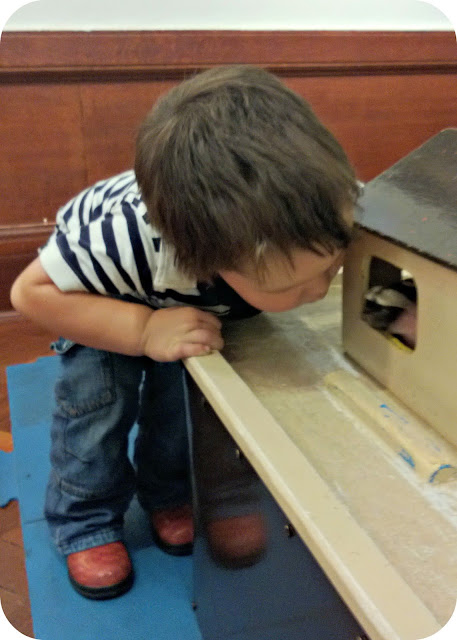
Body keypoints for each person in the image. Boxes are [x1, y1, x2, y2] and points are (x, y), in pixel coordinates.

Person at [10, 65, 360, 599]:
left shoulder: (328, 199)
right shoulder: (119, 242)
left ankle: (168, 493)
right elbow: (29, 294)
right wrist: (143, 329)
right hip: (99, 299)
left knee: (185, 401)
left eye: (331, 269)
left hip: (185, 305)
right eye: (294, 285)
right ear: (211, 261)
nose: (317, 293)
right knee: (97, 409)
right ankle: (83, 518)